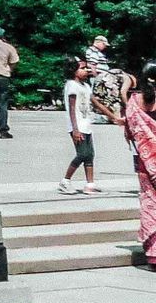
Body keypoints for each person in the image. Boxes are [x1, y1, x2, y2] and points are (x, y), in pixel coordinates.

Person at [59, 57, 114, 196]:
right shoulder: (71, 85)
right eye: (82, 68)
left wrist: (114, 117)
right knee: (82, 154)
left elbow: (97, 104)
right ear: (74, 71)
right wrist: (75, 129)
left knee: (90, 155)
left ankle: (90, 184)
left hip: (86, 125)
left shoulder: (86, 86)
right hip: (77, 126)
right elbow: (71, 109)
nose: (86, 71)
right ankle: (65, 181)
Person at [124, 65, 156, 270]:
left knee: (150, 203)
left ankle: (153, 254)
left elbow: (129, 130)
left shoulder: (134, 101)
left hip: (144, 162)